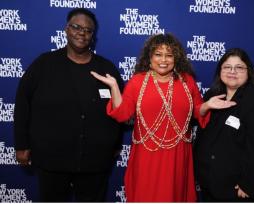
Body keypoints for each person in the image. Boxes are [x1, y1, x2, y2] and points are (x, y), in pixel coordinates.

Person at [90, 33, 235, 202]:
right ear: (149, 57)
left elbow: (196, 112)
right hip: (147, 156)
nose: (163, 60)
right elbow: (123, 114)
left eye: (169, 55)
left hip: (178, 155)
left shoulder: (187, 81)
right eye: (158, 54)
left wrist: (207, 105)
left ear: (176, 58)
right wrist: (115, 87)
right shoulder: (137, 81)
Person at [13, 8, 123, 202]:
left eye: (88, 30)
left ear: (93, 36)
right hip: (51, 159)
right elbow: (23, 105)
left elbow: (120, 110)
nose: (82, 32)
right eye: (76, 27)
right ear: (66, 29)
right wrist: (21, 145)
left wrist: (115, 143)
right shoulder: (44, 64)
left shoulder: (106, 68)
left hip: (95, 161)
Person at [193, 48, 254, 202]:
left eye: (239, 67)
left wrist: (248, 184)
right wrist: (205, 107)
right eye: (227, 67)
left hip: (235, 188)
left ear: (248, 71)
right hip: (209, 182)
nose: (232, 71)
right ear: (220, 70)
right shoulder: (212, 95)